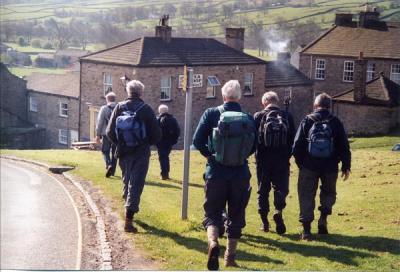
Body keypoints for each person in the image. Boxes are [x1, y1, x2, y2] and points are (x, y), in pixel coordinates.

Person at [193, 80, 255, 270]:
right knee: (236, 214)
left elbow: (197, 140)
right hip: (240, 174)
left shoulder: (211, 113)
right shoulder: (248, 117)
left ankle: (213, 243)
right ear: (239, 97)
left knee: (212, 213)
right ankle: (230, 257)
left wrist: (210, 156)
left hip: (216, 173)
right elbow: (254, 146)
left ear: (223, 95)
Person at [293, 93, 351, 240]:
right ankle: (323, 220)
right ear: (329, 106)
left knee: (306, 195)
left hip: (309, 165)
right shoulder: (336, 122)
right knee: (329, 193)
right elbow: (344, 146)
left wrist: (302, 164)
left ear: (315, 105)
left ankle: (306, 231)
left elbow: (296, 146)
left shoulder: (307, 120)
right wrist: (345, 166)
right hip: (330, 166)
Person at [106, 80, 161, 233]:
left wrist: (121, 143)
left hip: (123, 152)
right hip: (141, 153)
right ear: (141, 93)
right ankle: (128, 221)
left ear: (128, 92)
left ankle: (128, 207)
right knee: (136, 184)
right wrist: (145, 143)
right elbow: (157, 135)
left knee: (127, 180)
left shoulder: (119, 107)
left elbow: (109, 132)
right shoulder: (146, 109)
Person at [254, 91, 295, 234]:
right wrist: (288, 155)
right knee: (281, 188)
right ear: (276, 102)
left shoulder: (259, 116)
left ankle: (265, 223)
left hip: (263, 160)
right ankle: (278, 210)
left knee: (263, 191)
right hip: (282, 160)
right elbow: (292, 140)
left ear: (264, 102)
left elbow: (254, 140)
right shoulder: (287, 116)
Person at [95, 91, 117, 178]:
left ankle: (108, 165)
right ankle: (113, 170)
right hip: (116, 134)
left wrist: (98, 134)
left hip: (106, 134)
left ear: (107, 99)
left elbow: (100, 122)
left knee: (105, 151)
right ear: (114, 99)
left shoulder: (104, 108)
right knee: (115, 153)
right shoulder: (119, 107)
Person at [157, 104, 180, 180]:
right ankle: (166, 174)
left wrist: (155, 141)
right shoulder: (173, 119)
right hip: (169, 142)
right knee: (166, 157)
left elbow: (154, 131)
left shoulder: (158, 120)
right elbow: (177, 131)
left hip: (160, 142)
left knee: (162, 158)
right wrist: (174, 141)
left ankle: (164, 175)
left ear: (160, 111)